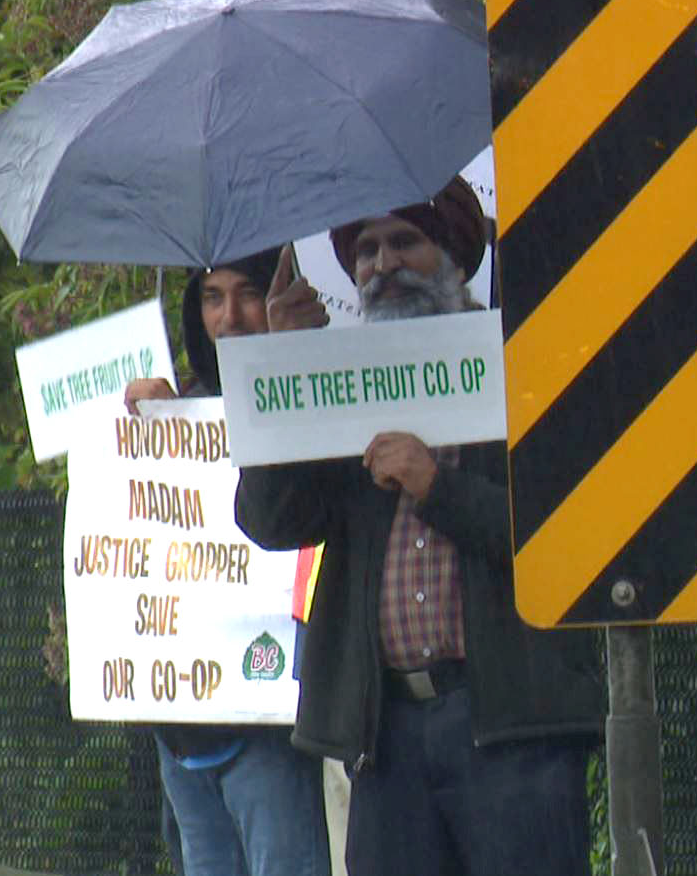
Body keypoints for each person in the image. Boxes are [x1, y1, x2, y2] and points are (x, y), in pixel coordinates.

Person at [234, 176, 604, 876]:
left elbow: (569, 535)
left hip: (509, 727)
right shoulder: (341, 385)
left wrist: (440, 489)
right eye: (365, 250)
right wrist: (280, 369)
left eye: (406, 242)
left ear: (456, 257)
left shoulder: (522, 367)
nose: (382, 264)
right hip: (387, 734)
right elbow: (273, 521)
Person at [122, 247, 332, 876]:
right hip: (183, 735)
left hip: (271, 728)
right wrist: (151, 425)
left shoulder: (313, 400)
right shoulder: (180, 410)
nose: (231, 316)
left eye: (248, 294)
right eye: (212, 298)